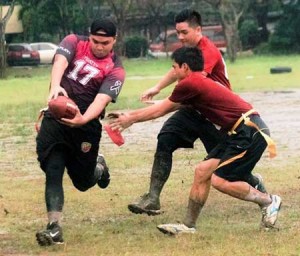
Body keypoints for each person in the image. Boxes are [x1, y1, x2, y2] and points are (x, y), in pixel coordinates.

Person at [109, 47, 281, 234]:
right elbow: (167, 106)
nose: (173, 72)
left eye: (174, 67)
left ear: (185, 67)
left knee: (220, 181)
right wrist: (129, 115)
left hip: (249, 131)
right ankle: (188, 226)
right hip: (240, 131)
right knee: (202, 172)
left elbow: (160, 111)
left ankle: (269, 201)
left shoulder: (190, 83)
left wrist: (130, 119)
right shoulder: (198, 82)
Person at [128, 9, 266, 216]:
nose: (180, 38)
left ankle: (258, 188)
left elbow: (193, 85)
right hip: (191, 110)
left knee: (223, 164)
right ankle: (153, 198)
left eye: (184, 32)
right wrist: (157, 87)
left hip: (214, 116)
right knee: (165, 139)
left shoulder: (208, 51)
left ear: (198, 29)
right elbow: (178, 70)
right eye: (177, 33)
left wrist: (161, 104)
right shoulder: (188, 53)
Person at [35, 18, 125, 246]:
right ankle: (54, 228)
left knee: (83, 183)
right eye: (95, 41)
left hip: (86, 126)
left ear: (115, 40)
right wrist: (55, 86)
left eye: (105, 43)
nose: (99, 46)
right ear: (89, 35)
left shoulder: (116, 70)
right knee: (53, 169)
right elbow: (59, 62)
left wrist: (83, 119)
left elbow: (102, 99)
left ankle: (99, 167)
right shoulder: (74, 41)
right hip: (56, 118)